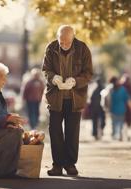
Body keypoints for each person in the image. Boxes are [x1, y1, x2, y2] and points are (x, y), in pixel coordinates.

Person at [42, 25, 93, 176]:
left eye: (67, 42)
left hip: (75, 98)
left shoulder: (83, 49)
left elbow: (88, 73)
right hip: (55, 98)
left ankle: (70, 164)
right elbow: (46, 70)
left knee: (72, 132)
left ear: (73, 38)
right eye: (61, 42)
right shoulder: (51, 48)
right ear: (57, 37)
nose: (63, 45)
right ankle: (57, 165)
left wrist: (76, 81)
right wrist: (53, 78)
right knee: (55, 132)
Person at [108, 76, 131, 141]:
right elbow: (127, 99)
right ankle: (119, 135)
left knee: (114, 123)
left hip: (115, 109)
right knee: (119, 123)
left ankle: (115, 135)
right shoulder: (122, 89)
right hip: (120, 109)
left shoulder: (110, 90)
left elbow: (108, 100)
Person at [120, 74, 131, 141]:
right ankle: (125, 136)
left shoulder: (120, 86)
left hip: (121, 107)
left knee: (122, 122)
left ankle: (122, 135)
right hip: (127, 107)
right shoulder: (129, 87)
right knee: (126, 123)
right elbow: (130, 98)